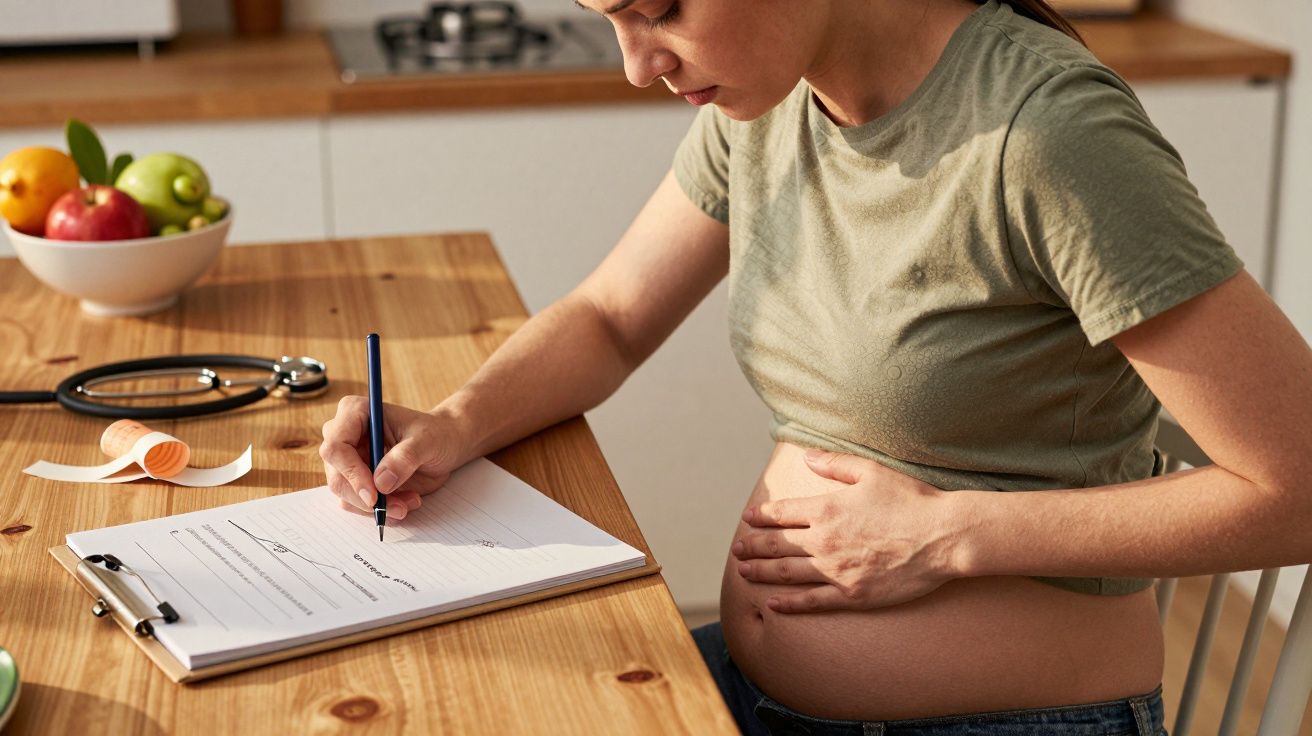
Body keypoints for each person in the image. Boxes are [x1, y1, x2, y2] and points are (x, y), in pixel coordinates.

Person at [319, 0, 1312, 733]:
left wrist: (945, 537)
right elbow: (611, 318)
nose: (635, 65)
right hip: (753, 693)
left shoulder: (1048, 137)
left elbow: (1297, 488)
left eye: (659, 10)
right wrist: (452, 423)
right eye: (607, 20)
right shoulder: (767, 103)